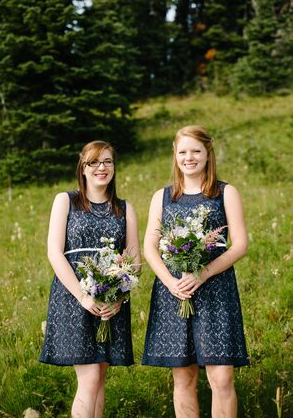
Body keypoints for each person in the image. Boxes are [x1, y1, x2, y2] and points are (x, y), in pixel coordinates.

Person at [142, 125, 249, 418]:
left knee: (222, 377)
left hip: (216, 290)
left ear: (207, 154)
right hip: (174, 293)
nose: (189, 158)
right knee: (184, 377)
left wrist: (203, 274)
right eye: (183, 152)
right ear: (175, 156)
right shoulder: (162, 197)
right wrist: (170, 282)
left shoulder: (225, 193)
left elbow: (239, 245)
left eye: (196, 151)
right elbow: (150, 247)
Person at [40, 140, 140, 418]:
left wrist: (118, 298)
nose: (101, 168)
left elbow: (133, 259)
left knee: (99, 378)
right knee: (89, 378)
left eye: (107, 161)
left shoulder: (124, 208)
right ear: (82, 168)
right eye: (94, 162)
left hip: (111, 302)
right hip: (73, 297)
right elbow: (54, 252)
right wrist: (82, 296)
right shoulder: (66, 200)